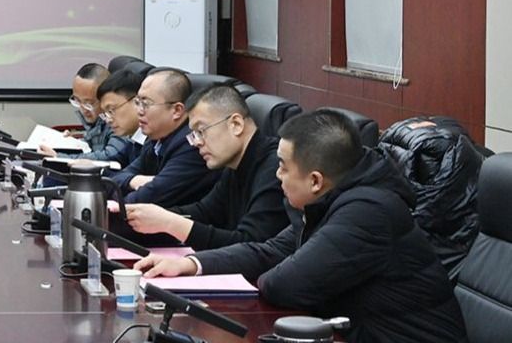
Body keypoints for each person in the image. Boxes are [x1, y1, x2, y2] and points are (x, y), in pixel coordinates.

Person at [135, 109, 468, 343]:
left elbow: (284, 284)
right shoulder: (332, 199)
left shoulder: (369, 212)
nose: (276, 175)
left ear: (315, 180)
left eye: (282, 166)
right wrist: (192, 264)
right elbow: (270, 251)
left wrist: (279, 266)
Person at [124, 84, 285, 250]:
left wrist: (171, 223)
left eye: (201, 131)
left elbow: (251, 246)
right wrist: (145, 215)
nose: (196, 143)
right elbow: (206, 212)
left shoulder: (276, 168)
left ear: (236, 124)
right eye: (194, 134)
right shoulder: (234, 165)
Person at [109, 68, 218, 206]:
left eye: (146, 104)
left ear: (177, 110)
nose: (139, 111)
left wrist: (114, 199)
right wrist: (134, 180)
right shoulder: (155, 138)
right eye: (137, 102)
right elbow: (115, 179)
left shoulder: (192, 145)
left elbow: (148, 197)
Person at [40, 62, 132, 162]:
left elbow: (111, 155)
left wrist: (59, 157)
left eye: (89, 103)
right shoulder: (95, 120)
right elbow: (94, 148)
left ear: (105, 98)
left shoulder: (117, 121)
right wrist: (74, 143)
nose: (83, 109)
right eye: (77, 101)